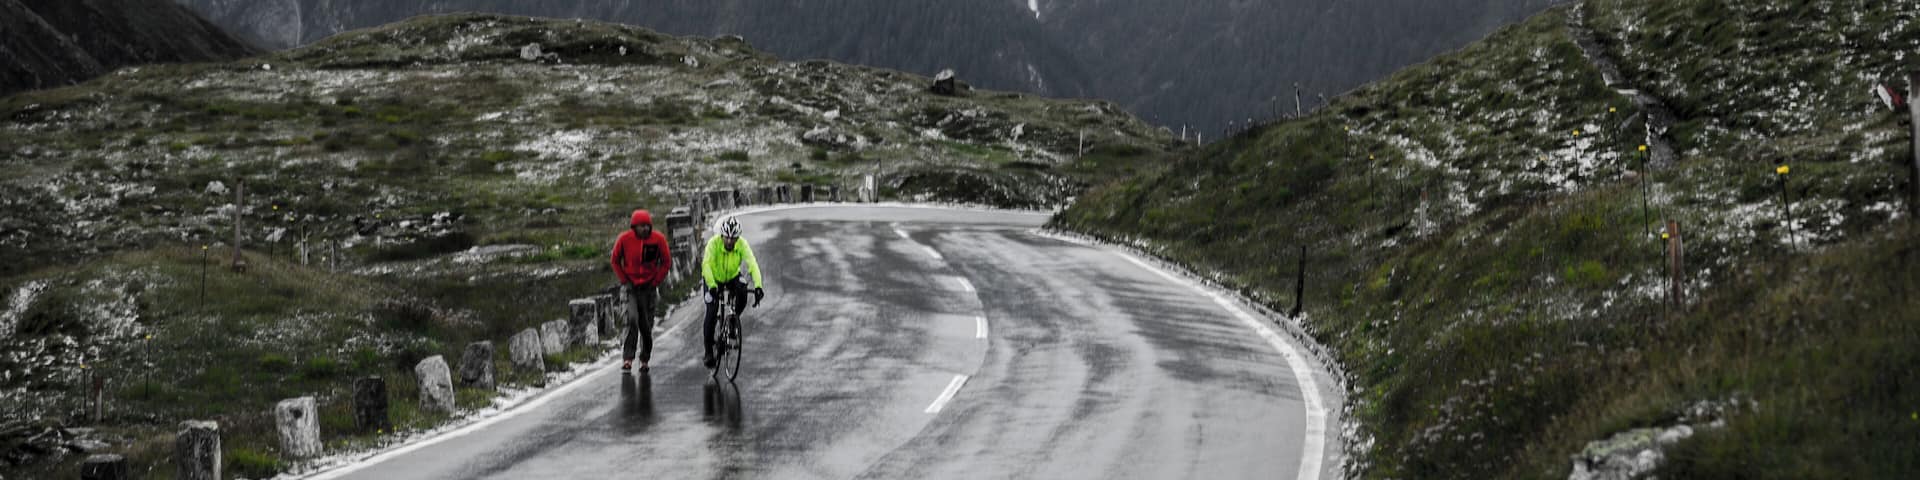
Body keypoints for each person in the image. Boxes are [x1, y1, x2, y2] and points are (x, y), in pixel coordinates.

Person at [611, 209, 671, 372]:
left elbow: (666, 262)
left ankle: (644, 359)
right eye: (640, 226)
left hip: (649, 289)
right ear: (634, 227)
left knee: (646, 326)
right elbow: (615, 260)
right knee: (632, 320)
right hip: (631, 288)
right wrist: (624, 280)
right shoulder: (624, 239)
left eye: (647, 226)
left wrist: (656, 281)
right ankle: (628, 358)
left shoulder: (658, 239)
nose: (644, 229)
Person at [701, 217, 764, 368]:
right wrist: (712, 286)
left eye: (733, 238)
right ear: (722, 235)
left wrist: (758, 286)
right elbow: (706, 265)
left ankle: (733, 319)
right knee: (711, 312)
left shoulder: (742, 244)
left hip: (732, 276)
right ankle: (709, 351)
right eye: (727, 237)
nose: (729, 241)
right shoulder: (713, 244)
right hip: (713, 279)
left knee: (742, 290)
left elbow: (752, 263)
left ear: (737, 237)